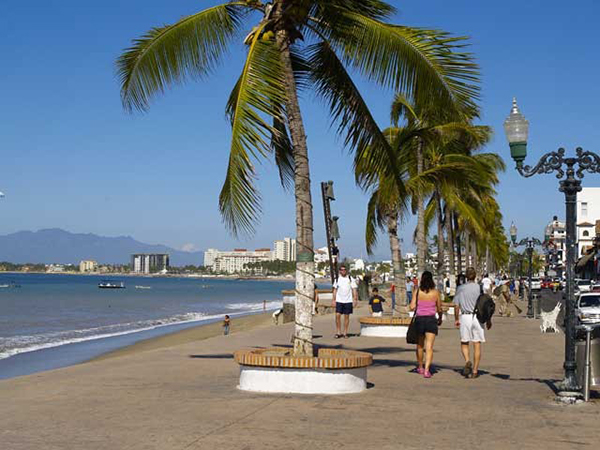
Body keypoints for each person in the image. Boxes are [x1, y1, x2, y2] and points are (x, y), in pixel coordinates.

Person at [453, 267, 492, 379]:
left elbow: (456, 306)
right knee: (477, 344)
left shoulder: (460, 288)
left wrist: (456, 319)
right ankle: (475, 371)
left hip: (465, 317)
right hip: (478, 318)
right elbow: (486, 305)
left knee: (464, 342)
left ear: (466, 277)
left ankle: (467, 360)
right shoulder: (480, 288)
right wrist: (488, 320)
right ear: (475, 276)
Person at [409, 271, 443, 378]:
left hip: (420, 319)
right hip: (431, 320)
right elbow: (439, 308)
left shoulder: (417, 291)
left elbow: (412, 307)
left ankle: (420, 366)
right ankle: (427, 370)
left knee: (419, 346)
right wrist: (440, 317)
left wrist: (420, 305)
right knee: (429, 347)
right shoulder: (436, 292)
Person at [332, 265, 358, 339]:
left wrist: (355, 299)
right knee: (337, 316)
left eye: (344, 270)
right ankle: (338, 332)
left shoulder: (350, 279)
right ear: (339, 271)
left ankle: (345, 332)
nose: (343, 271)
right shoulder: (337, 279)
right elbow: (334, 290)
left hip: (348, 301)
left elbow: (354, 289)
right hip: (339, 300)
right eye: (341, 270)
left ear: (346, 271)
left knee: (346, 317)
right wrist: (333, 300)